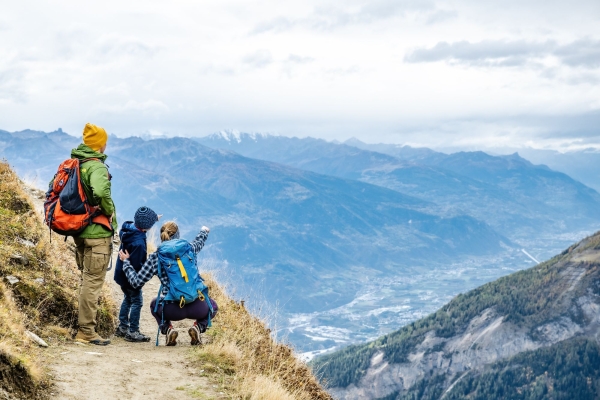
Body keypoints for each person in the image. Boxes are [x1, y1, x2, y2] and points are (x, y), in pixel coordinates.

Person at [118, 221, 218, 346]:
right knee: (213, 306)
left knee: (154, 304)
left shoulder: (156, 257)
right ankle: (198, 327)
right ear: (178, 235)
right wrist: (204, 231)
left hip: (171, 309)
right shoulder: (190, 249)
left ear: (162, 237)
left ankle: (168, 329)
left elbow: (136, 282)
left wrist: (126, 263)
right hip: (197, 307)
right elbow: (199, 241)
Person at [70, 123, 118, 345]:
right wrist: (108, 209)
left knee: (86, 278)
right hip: (97, 233)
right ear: (100, 144)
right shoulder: (96, 166)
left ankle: (83, 325)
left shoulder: (74, 163)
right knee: (92, 282)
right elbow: (100, 191)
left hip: (79, 230)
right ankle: (86, 331)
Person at [114, 207, 160, 342]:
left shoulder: (128, 228)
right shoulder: (139, 243)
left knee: (127, 299)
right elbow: (138, 265)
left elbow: (143, 222)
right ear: (147, 227)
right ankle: (133, 331)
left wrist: (154, 218)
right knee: (137, 302)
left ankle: (122, 327)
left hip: (121, 274)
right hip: (131, 277)